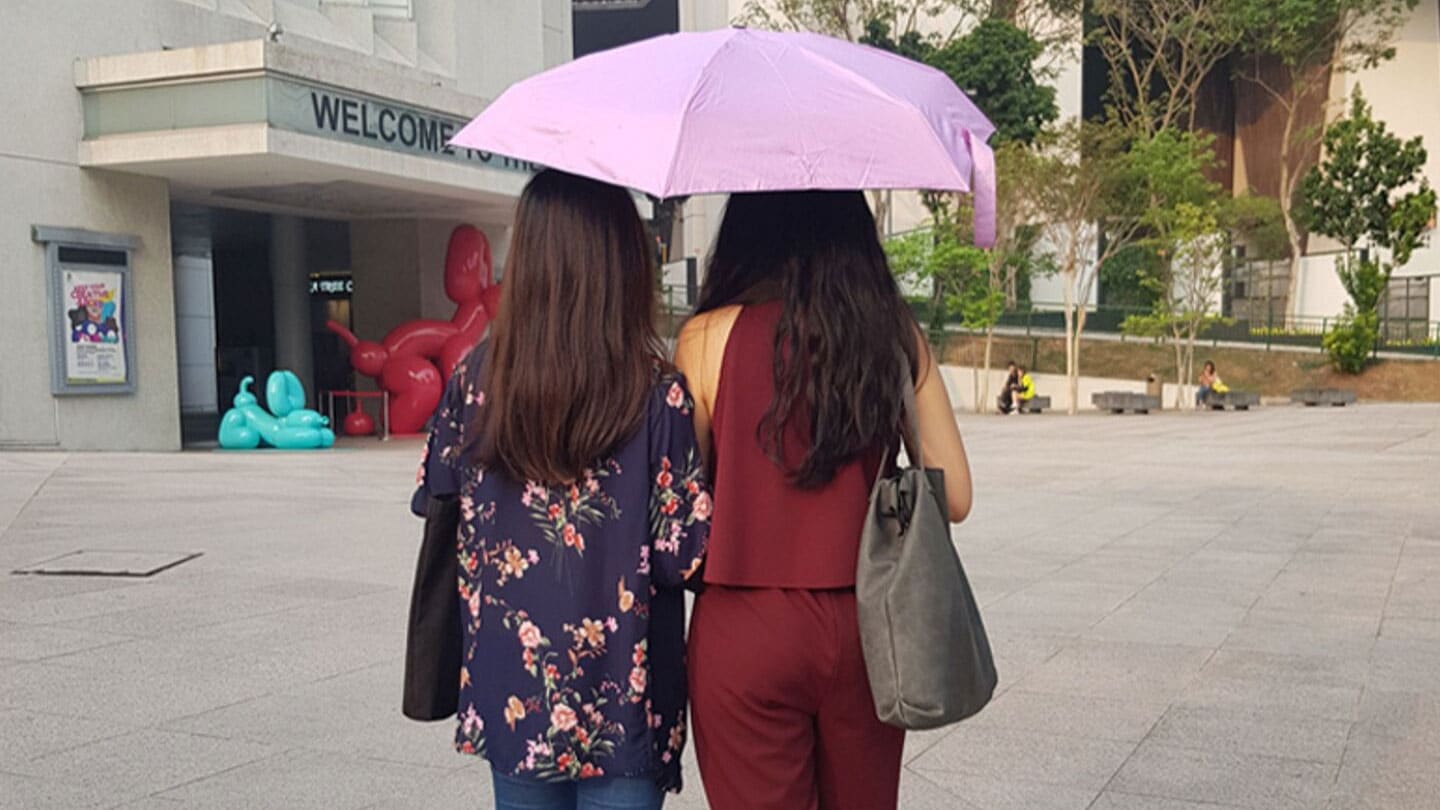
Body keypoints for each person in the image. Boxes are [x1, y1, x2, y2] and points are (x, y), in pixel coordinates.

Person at [413, 170, 710, 810]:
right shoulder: (659, 395)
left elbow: (437, 499)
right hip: (624, 709)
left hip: (512, 692)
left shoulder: (474, 382)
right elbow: (683, 556)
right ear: (623, 264)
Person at [674, 190, 974, 810]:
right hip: (867, 626)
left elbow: (684, 494)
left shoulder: (705, 337)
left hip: (744, 626)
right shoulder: (891, 333)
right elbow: (957, 494)